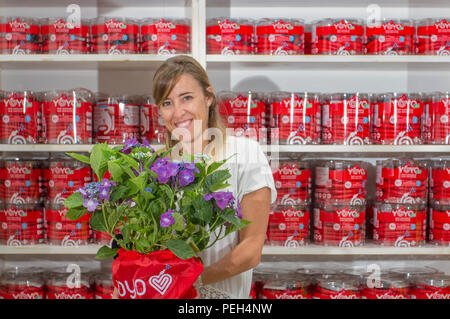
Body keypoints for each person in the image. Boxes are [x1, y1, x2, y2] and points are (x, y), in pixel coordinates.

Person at [114, 55, 276, 299]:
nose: (178, 112)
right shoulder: (154, 167)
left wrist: (190, 281)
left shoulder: (245, 153)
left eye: (187, 98)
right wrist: (132, 286)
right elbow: (144, 250)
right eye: (167, 103)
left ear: (208, 97)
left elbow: (251, 250)